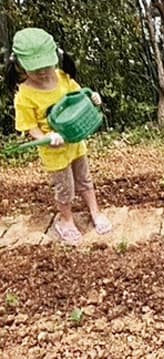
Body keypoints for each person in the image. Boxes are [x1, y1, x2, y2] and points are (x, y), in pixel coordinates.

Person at [6, 27, 112, 244]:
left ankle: (96, 212)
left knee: (85, 180)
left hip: (75, 143)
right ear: (20, 66)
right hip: (54, 152)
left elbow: (78, 97)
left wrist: (92, 97)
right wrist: (46, 137)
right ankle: (66, 220)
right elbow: (29, 127)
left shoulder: (63, 78)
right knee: (65, 189)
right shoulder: (24, 95)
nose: (44, 72)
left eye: (47, 66)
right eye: (37, 69)